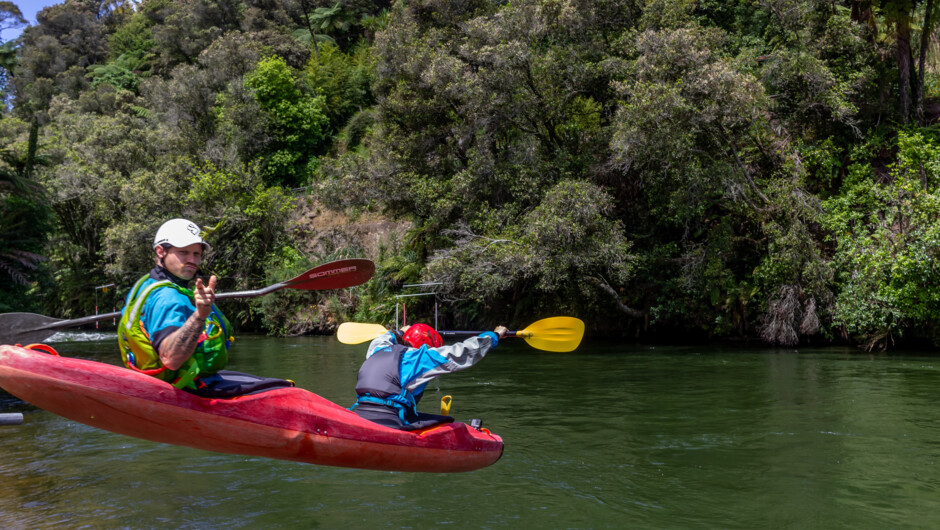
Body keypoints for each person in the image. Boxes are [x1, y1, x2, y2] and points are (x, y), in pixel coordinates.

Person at [118, 218, 290, 397]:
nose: (192, 260)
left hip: (171, 377)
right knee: (284, 390)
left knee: (267, 382)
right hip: (184, 385)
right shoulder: (168, 298)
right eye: (183, 253)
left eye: (196, 254)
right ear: (161, 251)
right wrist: (200, 315)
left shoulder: (147, 283)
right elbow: (171, 359)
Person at [350, 322, 508, 430]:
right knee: (448, 422)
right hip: (389, 419)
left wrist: (400, 332)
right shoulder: (419, 358)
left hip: (360, 411)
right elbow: (463, 352)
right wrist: (493, 336)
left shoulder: (377, 349)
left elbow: (384, 337)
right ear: (426, 345)